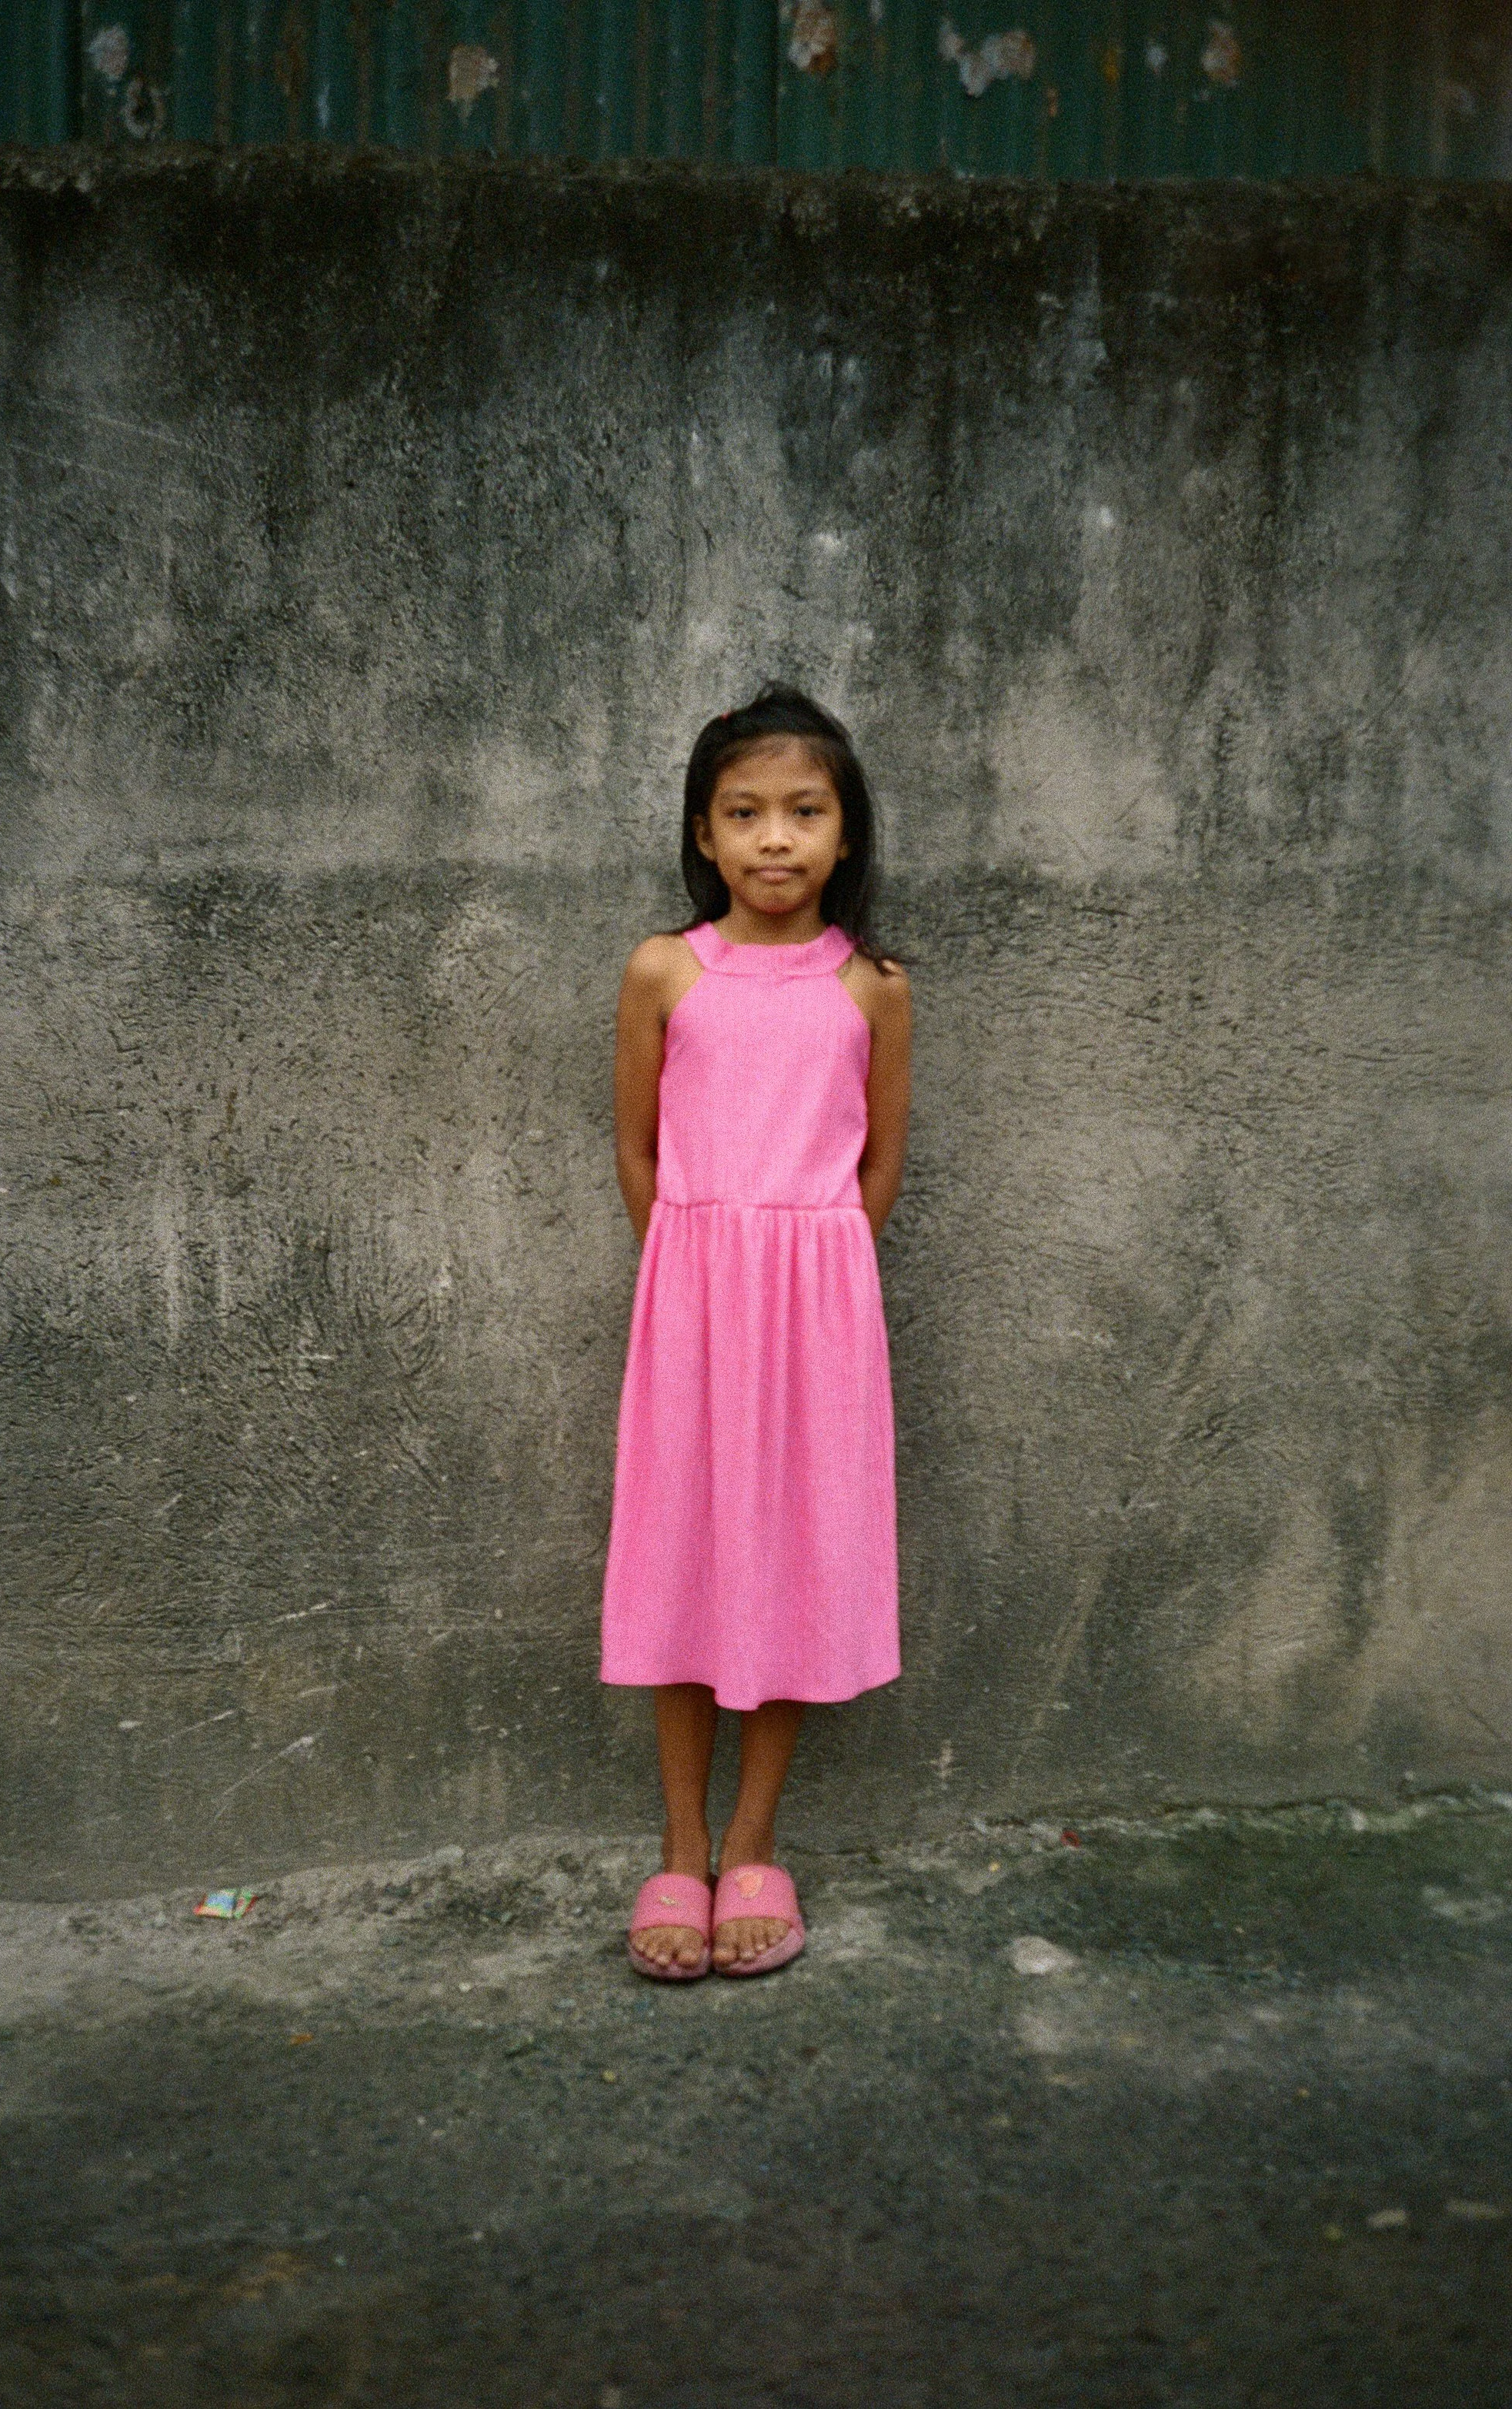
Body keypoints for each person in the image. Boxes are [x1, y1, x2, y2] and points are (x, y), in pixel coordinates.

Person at [602, 684, 911, 1980]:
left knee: (786, 1569)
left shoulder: (872, 989)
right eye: (745, 813)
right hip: (692, 1305)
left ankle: (754, 1838)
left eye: (804, 812)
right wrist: (698, 1268)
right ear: (703, 835)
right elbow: (633, 1148)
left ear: (845, 836)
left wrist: (814, 1277)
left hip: (818, 1319)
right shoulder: (664, 969)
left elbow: (878, 1169)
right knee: (685, 1565)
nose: (774, 838)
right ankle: (678, 1844)